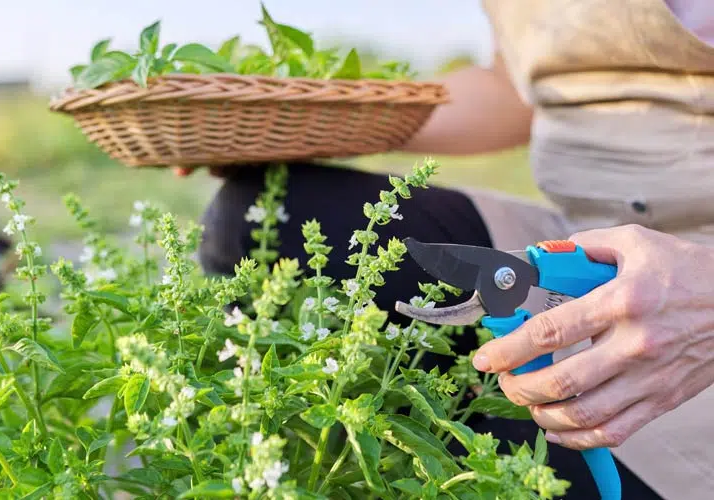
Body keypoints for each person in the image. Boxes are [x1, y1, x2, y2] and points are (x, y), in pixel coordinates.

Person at [189, 1, 714, 498]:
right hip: (580, 232)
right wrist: (292, 122)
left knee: (519, 458)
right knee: (262, 217)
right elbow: (516, 88)